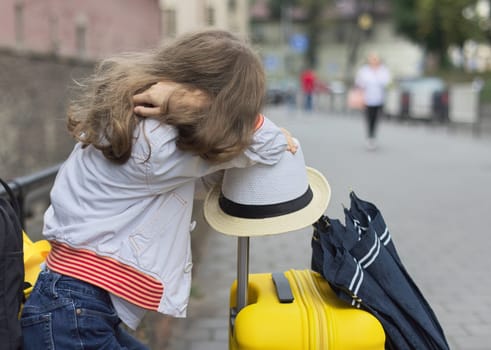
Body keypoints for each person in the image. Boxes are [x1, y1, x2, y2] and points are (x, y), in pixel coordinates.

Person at [20, 29, 296, 349]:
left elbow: (187, 185)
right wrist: (188, 101)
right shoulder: (156, 142)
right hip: (77, 310)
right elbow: (270, 143)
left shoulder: (145, 129)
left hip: (73, 305)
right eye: (237, 111)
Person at [355, 52, 391, 150]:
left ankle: (373, 136)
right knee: (369, 118)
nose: (374, 61)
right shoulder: (364, 70)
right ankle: (370, 137)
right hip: (367, 99)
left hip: (379, 98)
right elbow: (359, 82)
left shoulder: (383, 70)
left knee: (376, 118)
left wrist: (377, 76)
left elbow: (386, 82)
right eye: (372, 59)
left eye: (375, 59)